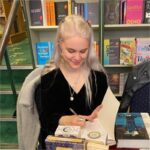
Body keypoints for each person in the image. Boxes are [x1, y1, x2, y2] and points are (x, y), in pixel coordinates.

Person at [35, 14, 108, 149]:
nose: (77, 57)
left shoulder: (99, 79)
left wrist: (101, 115)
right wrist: (66, 120)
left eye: (83, 51)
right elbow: (45, 121)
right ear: (60, 46)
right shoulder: (49, 78)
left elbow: (105, 115)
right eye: (71, 51)